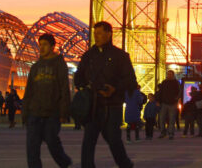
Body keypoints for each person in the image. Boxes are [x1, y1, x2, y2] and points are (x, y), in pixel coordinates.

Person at [74, 21, 136, 168]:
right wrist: (86, 87)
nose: (96, 36)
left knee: (113, 139)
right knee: (88, 140)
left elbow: (130, 80)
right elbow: (78, 78)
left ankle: (125, 164)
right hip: (93, 105)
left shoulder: (120, 56)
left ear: (109, 34)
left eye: (100, 33)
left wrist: (114, 88)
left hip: (112, 105)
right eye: (95, 33)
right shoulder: (88, 56)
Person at [23, 33, 73, 168]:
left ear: (52, 46)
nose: (42, 48)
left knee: (52, 141)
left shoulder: (59, 65)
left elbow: (64, 88)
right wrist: (25, 112)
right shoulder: (35, 67)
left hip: (52, 113)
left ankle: (64, 162)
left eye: (45, 45)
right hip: (34, 113)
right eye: (40, 45)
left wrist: (64, 112)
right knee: (32, 148)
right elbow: (29, 91)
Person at [156, 70, 180, 139]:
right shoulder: (164, 82)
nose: (169, 75)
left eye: (170, 74)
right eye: (168, 74)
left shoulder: (176, 82)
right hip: (164, 103)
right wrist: (158, 101)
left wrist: (176, 99)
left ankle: (170, 133)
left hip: (172, 103)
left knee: (171, 119)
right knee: (162, 118)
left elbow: (179, 91)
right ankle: (163, 132)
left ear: (173, 75)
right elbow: (160, 92)